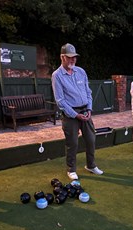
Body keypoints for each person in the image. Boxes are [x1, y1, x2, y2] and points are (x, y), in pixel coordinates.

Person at [51, 43, 103, 180]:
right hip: (70, 114)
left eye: (74, 57)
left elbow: (88, 92)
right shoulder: (57, 75)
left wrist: (90, 108)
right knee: (72, 143)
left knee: (91, 139)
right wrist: (75, 115)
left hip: (85, 110)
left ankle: (91, 165)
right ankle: (71, 169)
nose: (73, 60)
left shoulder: (81, 71)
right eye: (69, 57)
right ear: (62, 57)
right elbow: (60, 100)